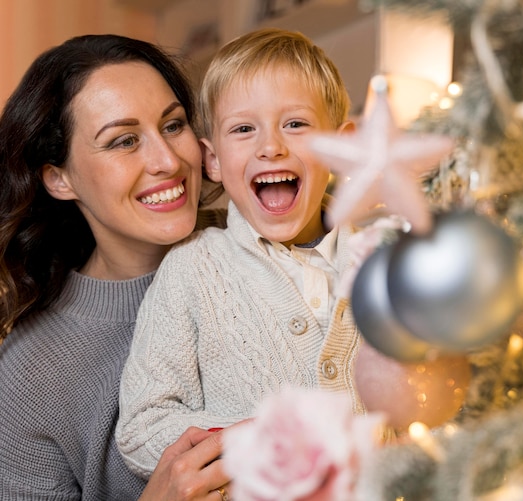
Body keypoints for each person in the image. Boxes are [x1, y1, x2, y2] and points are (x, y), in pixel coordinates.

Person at [116, 27, 365, 478]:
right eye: (244, 129)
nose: (271, 147)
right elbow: (141, 427)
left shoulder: (385, 257)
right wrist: (259, 444)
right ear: (212, 159)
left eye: (295, 123)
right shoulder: (194, 268)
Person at [0, 34, 230, 500]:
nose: (168, 161)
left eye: (173, 125)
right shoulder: (30, 375)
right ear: (59, 178)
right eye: (124, 141)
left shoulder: (277, 249)